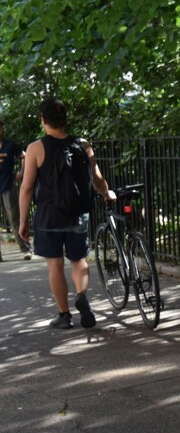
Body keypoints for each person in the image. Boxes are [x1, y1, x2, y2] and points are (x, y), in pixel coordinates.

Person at [19, 99, 115, 330]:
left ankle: (64, 315)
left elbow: (27, 187)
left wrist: (22, 221)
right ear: (65, 120)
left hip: (49, 215)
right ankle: (81, 294)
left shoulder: (35, 148)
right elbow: (96, 178)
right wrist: (106, 192)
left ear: (44, 120)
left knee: (55, 264)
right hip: (77, 213)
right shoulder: (83, 144)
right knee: (79, 259)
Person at [0, 119, 33, 259]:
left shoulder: (10, 145)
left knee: (14, 218)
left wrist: (21, 172)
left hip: (7, 185)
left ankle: (25, 248)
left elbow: (25, 156)